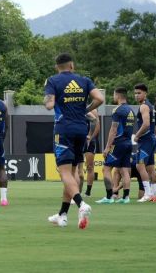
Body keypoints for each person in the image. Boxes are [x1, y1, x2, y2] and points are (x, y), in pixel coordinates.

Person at [44, 53, 102, 229]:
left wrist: (47, 99)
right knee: (73, 170)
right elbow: (100, 98)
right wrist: (86, 109)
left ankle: (81, 204)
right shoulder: (84, 80)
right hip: (81, 129)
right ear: (72, 65)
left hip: (63, 130)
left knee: (64, 172)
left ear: (57, 67)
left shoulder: (52, 81)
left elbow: (49, 105)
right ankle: (62, 215)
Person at [97, 88, 134, 204]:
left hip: (118, 144)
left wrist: (107, 147)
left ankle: (109, 197)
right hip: (128, 143)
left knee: (106, 169)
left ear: (117, 95)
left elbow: (113, 130)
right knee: (124, 171)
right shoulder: (130, 110)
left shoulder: (117, 110)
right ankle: (126, 198)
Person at [132, 84, 156, 202]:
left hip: (146, 139)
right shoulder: (150, 105)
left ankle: (147, 194)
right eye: (135, 93)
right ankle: (153, 194)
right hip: (151, 138)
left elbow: (146, 124)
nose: (136, 95)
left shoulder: (144, 106)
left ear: (145, 93)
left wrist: (137, 135)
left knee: (139, 165)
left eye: (139, 93)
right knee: (151, 168)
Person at [83, 109, 100, 197]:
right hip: (78, 138)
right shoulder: (76, 106)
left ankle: (88, 192)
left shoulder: (93, 109)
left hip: (89, 141)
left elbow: (97, 124)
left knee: (89, 166)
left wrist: (91, 137)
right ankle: (74, 191)